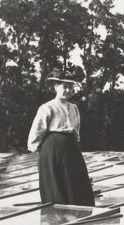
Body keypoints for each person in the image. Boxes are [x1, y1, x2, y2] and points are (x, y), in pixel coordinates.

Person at [27, 66, 95, 206]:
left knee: (76, 187)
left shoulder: (74, 107)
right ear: (56, 86)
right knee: (56, 189)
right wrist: (43, 151)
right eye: (65, 86)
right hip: (52, 152)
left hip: (71, 151)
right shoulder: (47, 107)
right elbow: (36, 133)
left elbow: (76, 131)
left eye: (71, 87)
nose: (68, 90)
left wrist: (74, 146)